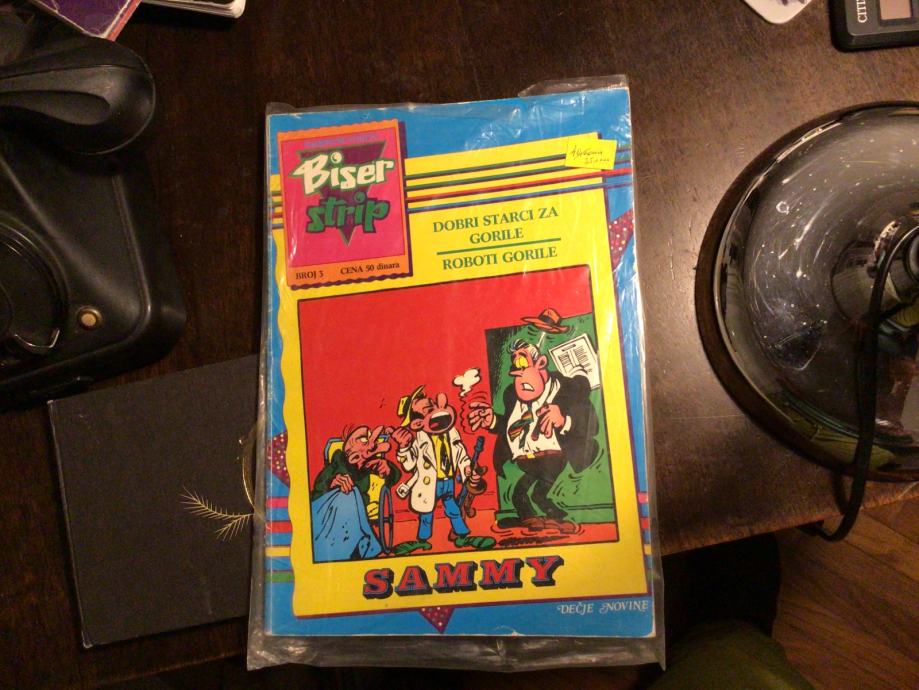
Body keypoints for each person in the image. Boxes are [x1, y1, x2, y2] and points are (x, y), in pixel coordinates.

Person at [468, 337, 598, 532]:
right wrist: (493, 421)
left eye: (523, 364)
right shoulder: (511, 394)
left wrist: (563, 421)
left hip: (554, 458)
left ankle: (550, 518)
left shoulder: (567, 390)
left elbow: (591, 425)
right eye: (515, 370)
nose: (519, 377)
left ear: (541, 363)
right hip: (526, 461)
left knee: (524, 493)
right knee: (531, 493)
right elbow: (512, 426)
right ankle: (546, 518)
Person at [391, 386, 494, 555]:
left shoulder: (452, 433)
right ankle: (422, 541)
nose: (437, 410)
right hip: (428, 485)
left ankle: (462, 536)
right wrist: (403, 448)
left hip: (448, 481)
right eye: (429, 409)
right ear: (417, 423)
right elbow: (409, 465)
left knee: (453, 510)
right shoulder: (419, 441)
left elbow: (460, 454)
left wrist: (466, 468)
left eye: (434, 405)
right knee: (426, 514)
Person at [310, 424, 399, 562]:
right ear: (347, 444)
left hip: (353, 508)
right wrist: (333, 482)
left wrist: (389, 469)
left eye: (370, 439)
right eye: (362, 439)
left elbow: (394, 476)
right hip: (326, 506)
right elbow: (319, 485)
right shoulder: (337, 461)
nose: (369, 444)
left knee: (352, 493)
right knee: (348, 494)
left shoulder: (370, 464)